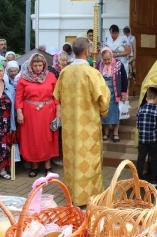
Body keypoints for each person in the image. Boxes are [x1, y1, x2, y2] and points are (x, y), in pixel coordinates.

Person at [53, 37, 110, 207]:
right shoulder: (92, 73)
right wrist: (103, 113)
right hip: (88, 126)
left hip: (70, 128)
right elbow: (104, 99)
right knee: (88, 159)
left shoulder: (65, 72)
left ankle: (72, 195)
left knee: (72, 160)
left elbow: (57, 96)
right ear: (86, 52)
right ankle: (89, 196)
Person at [16, 53, 59, 177]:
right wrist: (19, 113)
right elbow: (19, 98)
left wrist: (58, 113)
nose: (38, 68)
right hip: (30, 113)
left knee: (47, 138)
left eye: (40, 65)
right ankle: (34, 166)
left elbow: (56, 96)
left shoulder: (51, 76)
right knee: (32, 138)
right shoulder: (23, 78)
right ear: (30, 65)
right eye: (35, 65)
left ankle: (47, 166)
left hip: (48, 112)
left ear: (44, 65)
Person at [97, 47, 128, 142]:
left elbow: (124, 79)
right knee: (104, 113)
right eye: (105, 59)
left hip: (115, 92)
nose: (107, 61)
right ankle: (106, 133)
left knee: (115, 113)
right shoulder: (99, 65)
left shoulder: (119, 64)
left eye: (109, 59)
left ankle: (115, 133)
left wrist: (123, 94)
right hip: (103, 93)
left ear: (112, 56)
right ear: (102, 58)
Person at [136, 87, 157, 187]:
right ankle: (154, 180)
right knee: (154, 159)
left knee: (141, 158)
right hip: (153, 140)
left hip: (142, 139)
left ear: (146, 99)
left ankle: (138, 178)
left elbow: (138, 125)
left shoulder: (140, 110)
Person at [47, 51, 69, 167]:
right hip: (55, 103)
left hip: (65, 103)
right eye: (62, 60)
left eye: (66, 60)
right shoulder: (52, 71)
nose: (64, 63)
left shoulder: (66, 70)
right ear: (57, 60)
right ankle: (55, 157)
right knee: (55, 130)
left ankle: (61, 155)